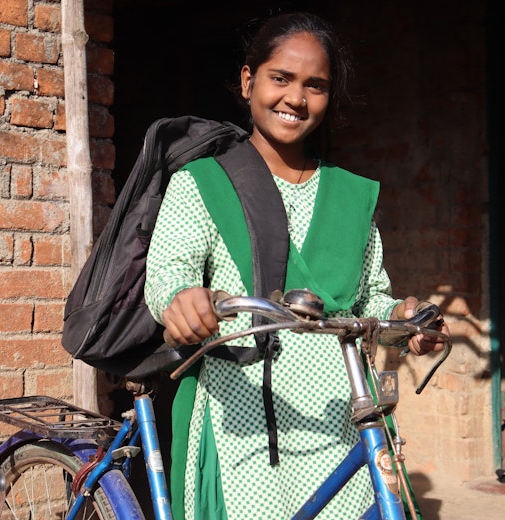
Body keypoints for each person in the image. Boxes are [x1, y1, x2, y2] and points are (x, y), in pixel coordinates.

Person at [144, 11, 449, 519]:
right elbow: (169, 275)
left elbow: (370, 298)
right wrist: (181, 301)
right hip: (239, 417)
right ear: (248, 80)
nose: (296, 98)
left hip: (340, 416)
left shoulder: (351, 196)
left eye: (316, 86)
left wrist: (405, 316)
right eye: (280, 78)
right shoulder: (201, 183)